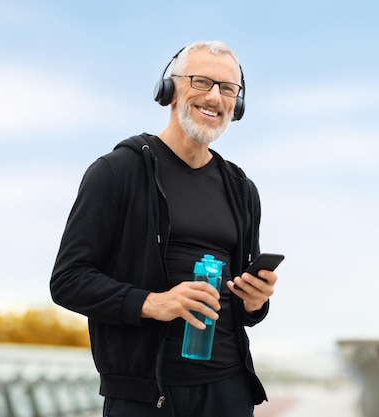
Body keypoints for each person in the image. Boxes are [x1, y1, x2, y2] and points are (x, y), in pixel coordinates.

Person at [50, 40, 278, 417]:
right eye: (202, 82)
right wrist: (154, 303)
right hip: (145, 394)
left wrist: (256, 302)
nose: (215, 97)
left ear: (237, 104)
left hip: (228, 390)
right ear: (170, 89)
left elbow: (245, 309)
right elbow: (68, 281)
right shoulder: (117, 172)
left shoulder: (242, 189)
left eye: (228, 88)